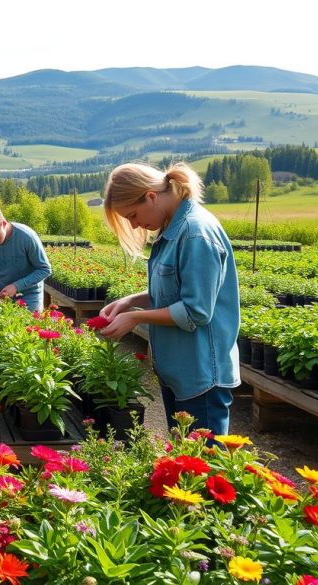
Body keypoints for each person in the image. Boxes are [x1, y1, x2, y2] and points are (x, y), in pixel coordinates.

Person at [97, 162, 240, 435]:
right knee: (184, 468)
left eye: (133, 215)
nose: (135, 224)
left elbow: (195, 311)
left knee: (203, 469)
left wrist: (135, 317)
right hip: (179, 371)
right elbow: (172, 292)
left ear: (151, 196)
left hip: (200, 377)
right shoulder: (172, 229)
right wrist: (131, 301)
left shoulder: (195, 233)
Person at [0, 202, 52, 312]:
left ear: (4, 224)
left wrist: (16, 286)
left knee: (26, 328)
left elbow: (45, 269)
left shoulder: (27, 237)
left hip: (28, 295)